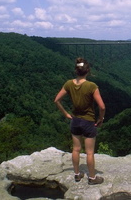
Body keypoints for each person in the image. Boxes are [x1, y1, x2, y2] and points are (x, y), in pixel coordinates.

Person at [54, 57, 106, 185]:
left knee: (76, 149)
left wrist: (66, 114)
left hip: (75, 121)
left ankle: (77, 175)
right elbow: (102, 106)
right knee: (89, 152)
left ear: (76, 71)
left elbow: (56, 100)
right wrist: (100, 118)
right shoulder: (91, 86)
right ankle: (92, 178)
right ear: (87, 71)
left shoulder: (69, 84)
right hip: (88, 122)